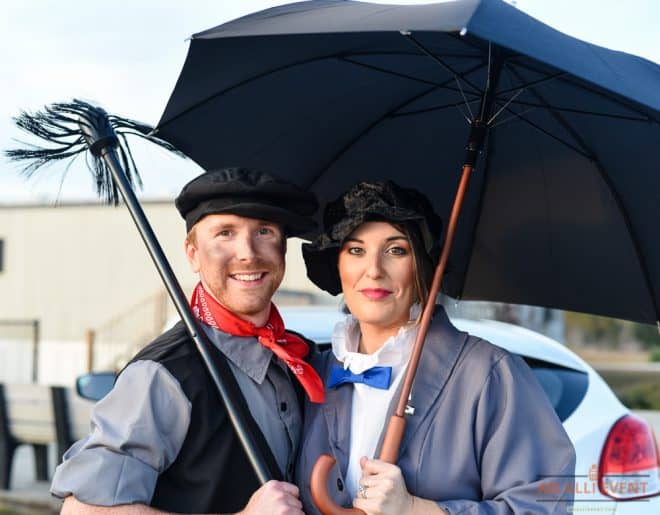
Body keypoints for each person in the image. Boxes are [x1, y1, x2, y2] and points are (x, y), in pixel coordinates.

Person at [51, 167, 324, 514]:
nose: (248, 253)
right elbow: (82, 511)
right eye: (225, 233)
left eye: (264, 231)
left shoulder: (301, 358)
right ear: (193, 253)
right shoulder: (162, 376)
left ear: (283, 249)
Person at [295, 181, 576, 514]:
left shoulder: (489, 374)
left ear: (424, 267)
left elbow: (544, 504)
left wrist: (416, 509)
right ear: (337, 263)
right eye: (356, 250)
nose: (373, 270)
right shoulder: (311, 373)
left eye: (396, 250)